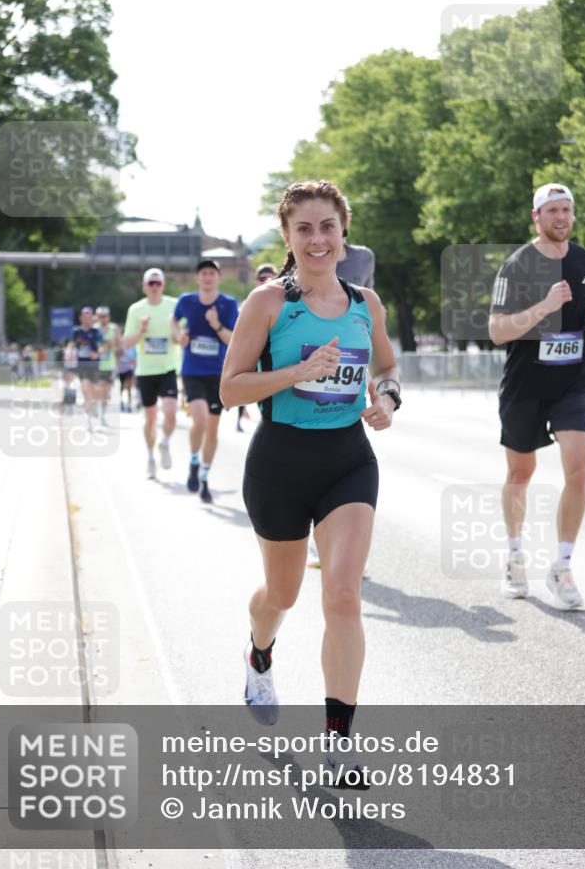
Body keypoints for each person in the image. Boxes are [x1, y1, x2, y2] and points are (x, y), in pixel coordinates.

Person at [220, 180, 401, 788]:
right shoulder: (268, 304)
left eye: (328, 226)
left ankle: (338, 744)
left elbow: (387, 366)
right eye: (305, 229)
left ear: (343, 233)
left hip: (348, 460)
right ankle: (259, 651)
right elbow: (230, 388)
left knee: (344, 595)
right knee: (283, 596)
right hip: (279, 465)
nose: (317, 239)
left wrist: (386, 398)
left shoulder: (365, 302)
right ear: (289, 237)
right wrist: (299, 370)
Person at [489, 183, 585, 610]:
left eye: (567, 210)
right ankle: (515, 556)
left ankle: (561, 566)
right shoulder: (517, 265)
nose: (561, 217)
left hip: (572, 381)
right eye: (553, 210)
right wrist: (542, 307)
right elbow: (498, 331)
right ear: (536, 217)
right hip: (525, 383)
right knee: (521, 473)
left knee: (578, 471)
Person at [308, 202, 376, 569]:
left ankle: (346, 548)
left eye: (330, 225)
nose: (320, 237)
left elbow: (369, 305)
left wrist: (383, 391)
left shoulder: (364, 258)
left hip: (350, 354)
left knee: (344, 445)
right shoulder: (311, 256)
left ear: (343, 225)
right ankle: (320, 536)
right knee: (314, 438)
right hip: (313, 351)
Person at [172, 259, 239, 503]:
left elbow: (232, 339)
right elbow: (174, 320)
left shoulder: (228, 304)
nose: (208, 277)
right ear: (197, 278)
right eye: (203, 273)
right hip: (192, 371)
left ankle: (204, 477)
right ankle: (193, 459)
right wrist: (179, 336)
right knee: (199, 420)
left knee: (212, 429)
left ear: (218, 278)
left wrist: (215, 324)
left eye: (212, 273)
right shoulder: (186, 301)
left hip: (217, 374)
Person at [122, 268, 179, 479]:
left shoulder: (173, 306)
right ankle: (150, 457)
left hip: (167, 368)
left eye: (158, 283)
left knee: (171, 412)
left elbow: (181, 338)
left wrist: (175, 330)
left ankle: (164, 443)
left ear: (163, 285)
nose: (155, 287)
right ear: (144, 286)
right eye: (151, 283)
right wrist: (142, 330)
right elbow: (127, 342)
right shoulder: (136, 310)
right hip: (146, 371)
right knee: (151, 418)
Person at [237, 263, 278, 432]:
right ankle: (239, 418)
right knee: (247, 385)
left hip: (273, 353)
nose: (267, 281)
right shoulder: (250, 302)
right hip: (253, 352)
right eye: (263, 279)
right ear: (256, 281)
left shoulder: (285, 300)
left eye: (271, 278)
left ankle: (266, 418)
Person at [69, 307, 103, 426]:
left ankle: (92, 404)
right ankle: (88, 413)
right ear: (81, 318)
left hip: (94, 364)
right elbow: (72, 344)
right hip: (82, 364)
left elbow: (102, 346)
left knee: (93, 389)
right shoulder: (76, 331)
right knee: (84, 387)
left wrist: (97, 353)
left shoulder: (96, 331)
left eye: (89, 318)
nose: (87, 320)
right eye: (85, 318)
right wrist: (69, 353)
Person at [95, 306, 120, 427]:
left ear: (108, 317)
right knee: (100, 389)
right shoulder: (93, 329)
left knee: (107, 392)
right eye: (100, 316)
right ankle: (98, 412)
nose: (102, 319)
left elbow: (118, 344)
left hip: (110, 365)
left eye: (104, 316)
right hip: (96, 366)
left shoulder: (113, 328)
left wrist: (112, 345)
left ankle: (102, 415)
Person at [117, 340, 137, 412]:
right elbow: (116, 356)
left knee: (129, 387)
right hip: (121, 369)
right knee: (122, 387)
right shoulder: (120, 346)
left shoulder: (133, 347)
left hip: (129, 369)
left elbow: (135, 358)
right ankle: (122, 402)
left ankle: (129, 404)